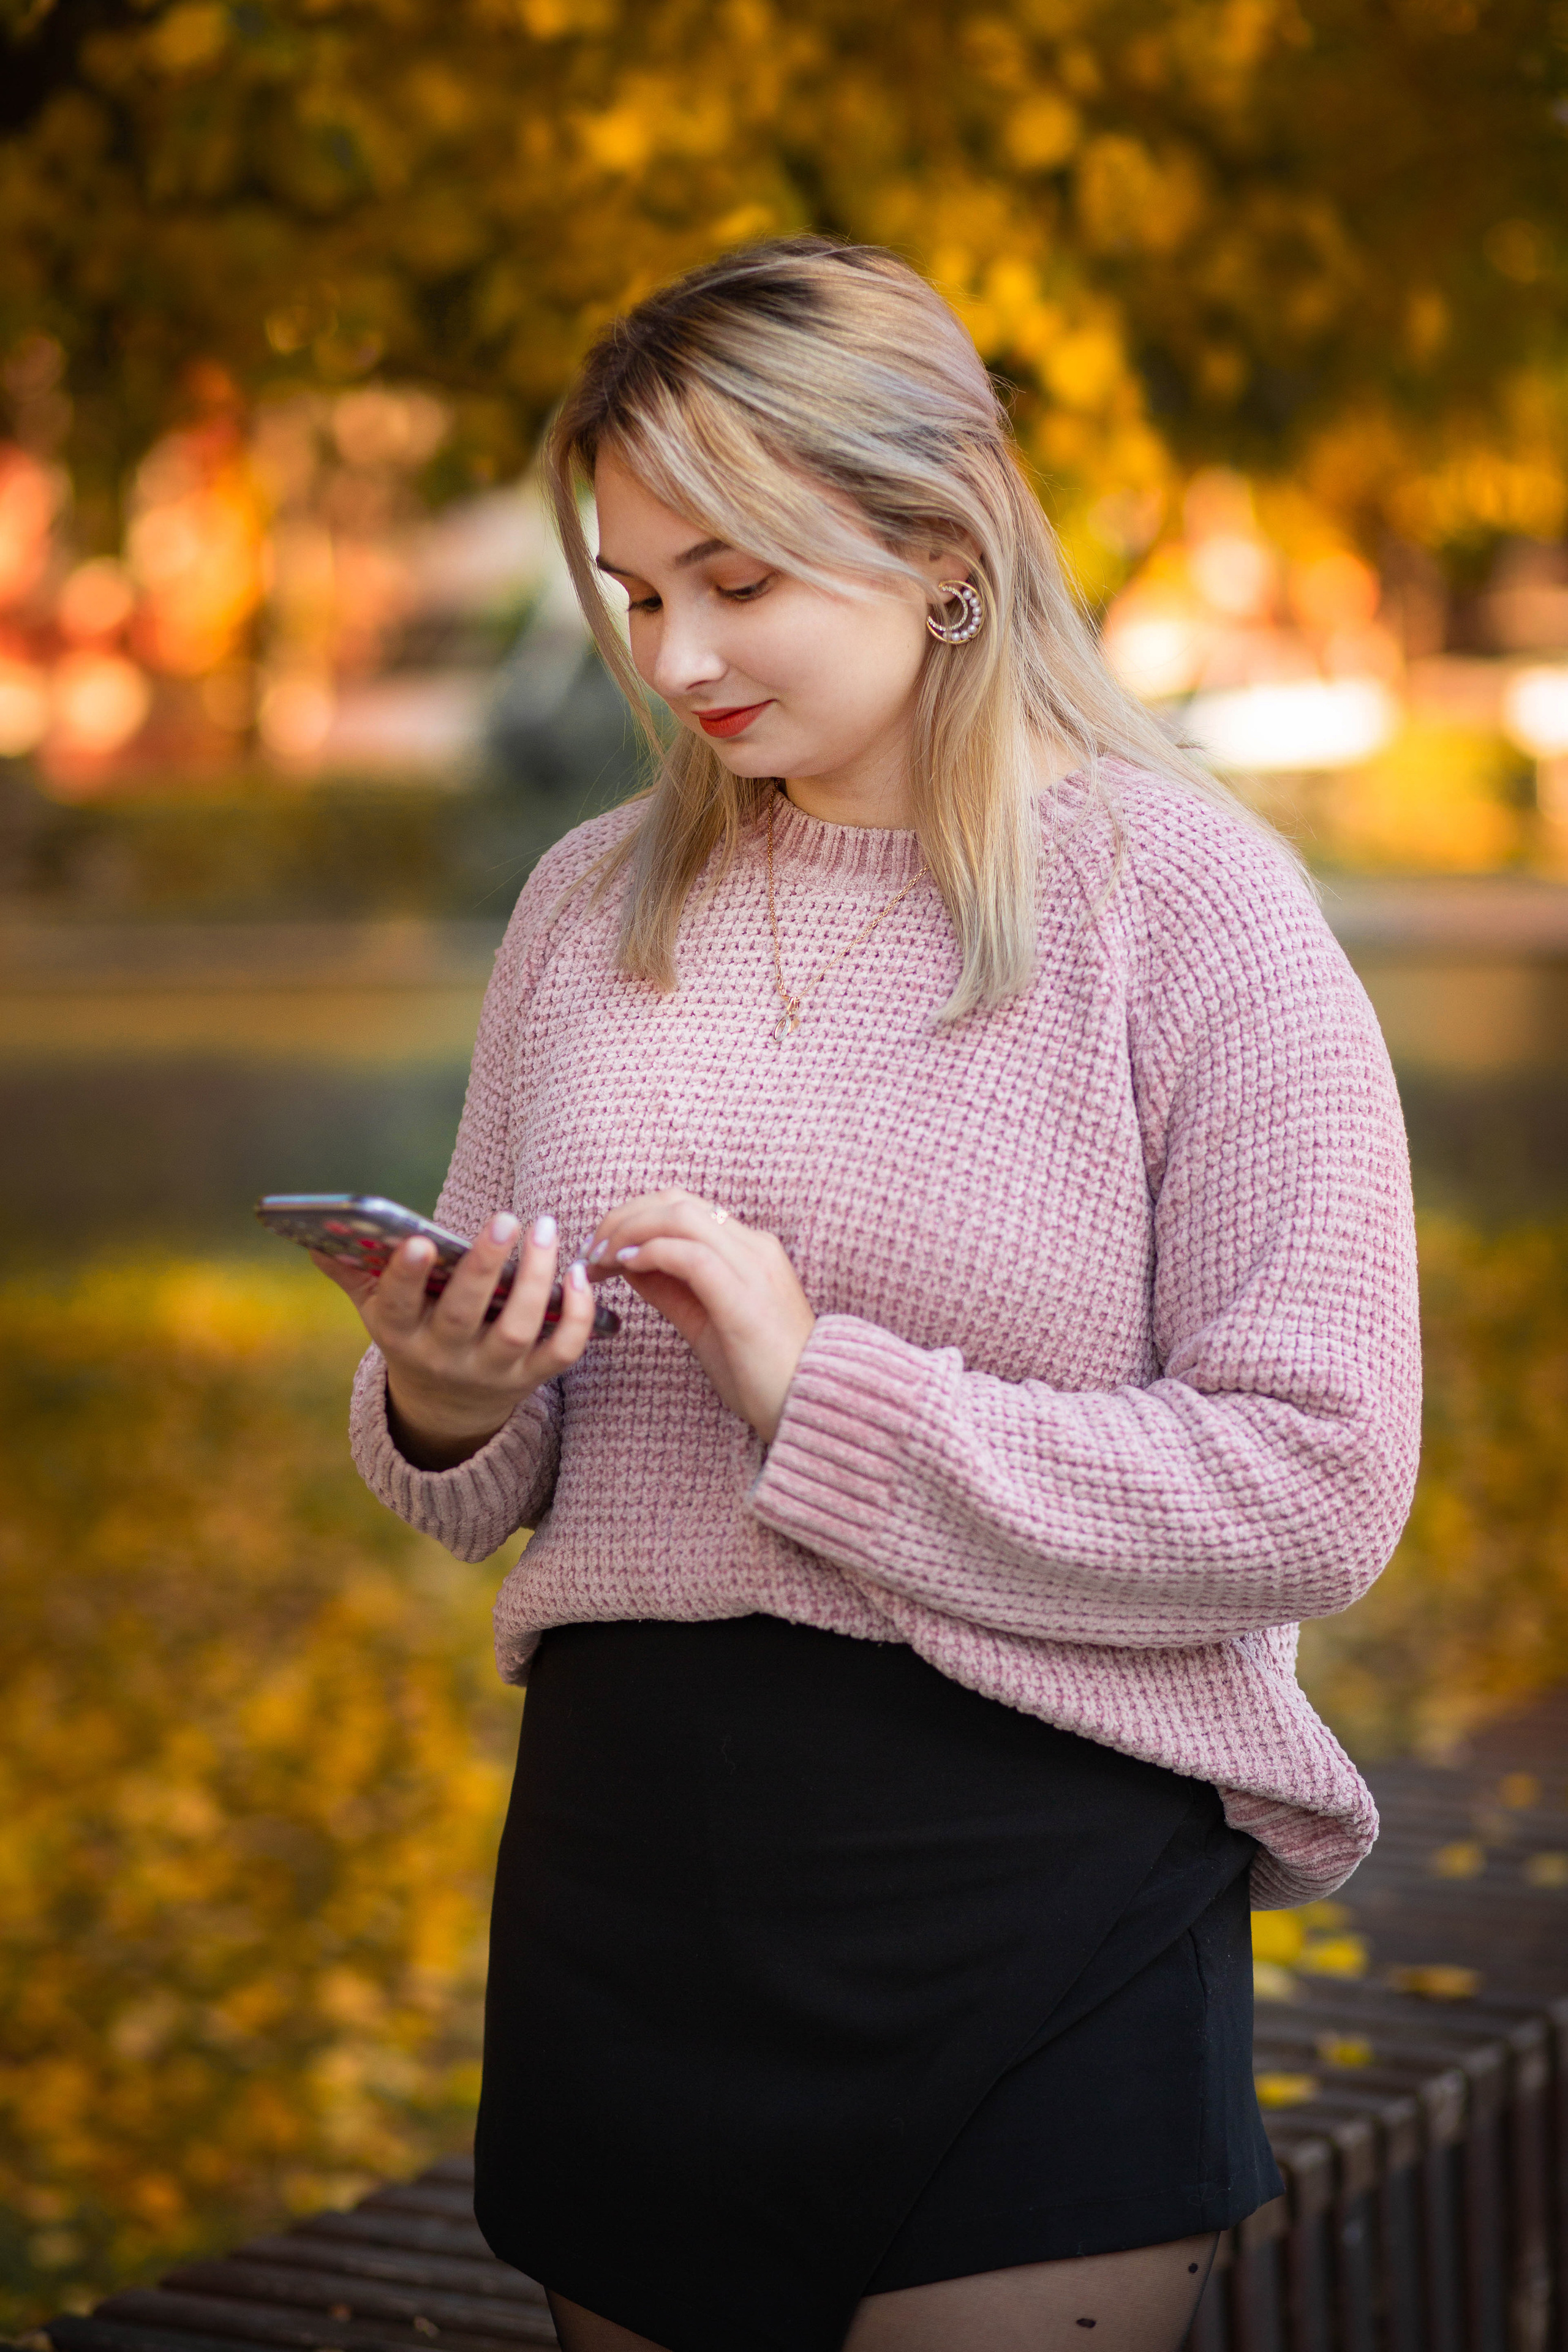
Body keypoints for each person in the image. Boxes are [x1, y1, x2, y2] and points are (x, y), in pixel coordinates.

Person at [323, 239, 1421, 2352]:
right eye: (640, 593)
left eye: (738, 581)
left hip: (1036, 1887)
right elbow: (479, 1478)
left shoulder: (1183, 906)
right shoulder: (582, 907)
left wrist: (821, 1388)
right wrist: (451, 1392)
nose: (678, 655)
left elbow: (1322, 1483)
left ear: (937, 543)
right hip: (627, 1889)